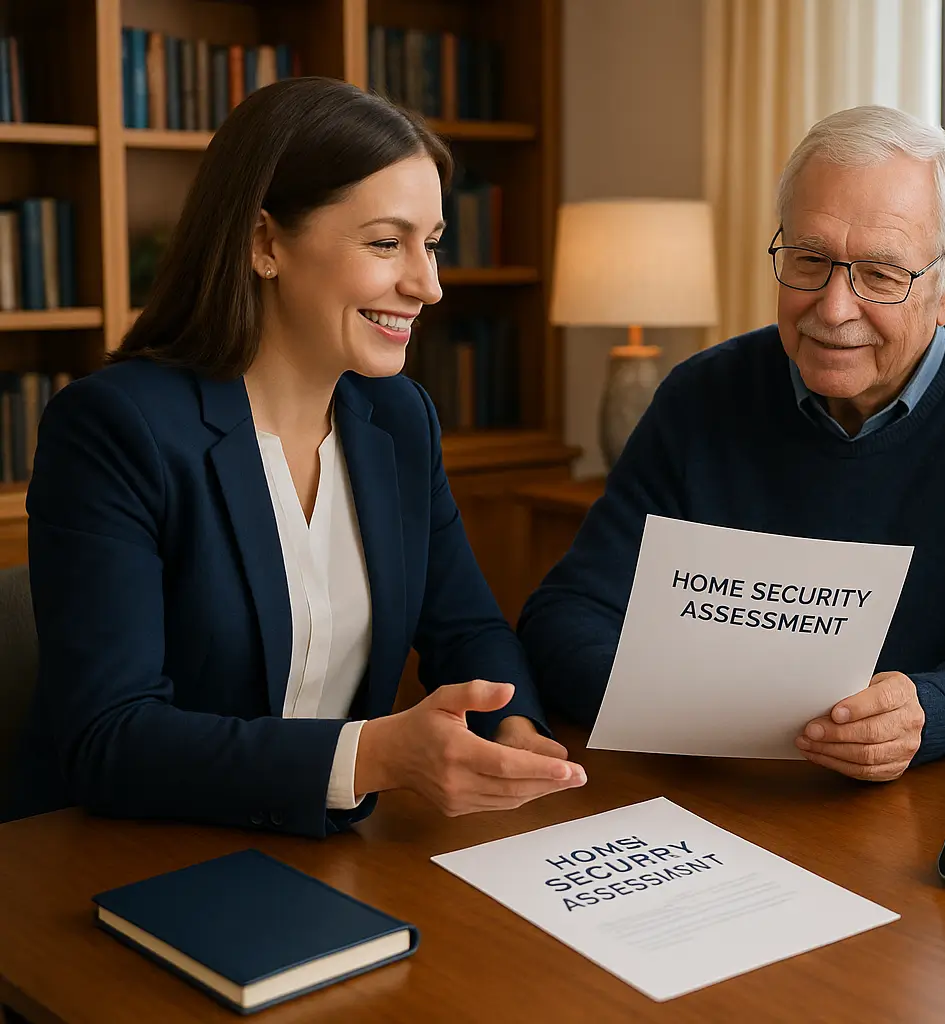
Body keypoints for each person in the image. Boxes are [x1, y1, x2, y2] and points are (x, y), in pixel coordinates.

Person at [4, 78, 586, 837]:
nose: (429, 285)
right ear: (264, 242)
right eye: (386, 243)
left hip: (318, 846)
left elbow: (468, 627)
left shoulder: (398, 419)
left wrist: (514, 729)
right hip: (120, 856)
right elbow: (110, 738)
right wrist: (372, 756)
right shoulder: (117, 428)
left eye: (431, 243)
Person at [518, 106, 945, 780]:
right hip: (704, 784)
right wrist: (689, 707)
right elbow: (565, 616)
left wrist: (927, 710)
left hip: (910, 800)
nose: (833, 307)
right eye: (810, 260)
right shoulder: (702, 395)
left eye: (879, 275)